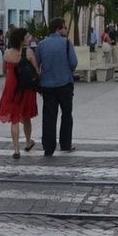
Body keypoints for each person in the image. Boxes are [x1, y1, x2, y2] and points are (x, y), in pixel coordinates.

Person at [35, 17, 78, 156]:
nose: (65, 30)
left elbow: (37, 64)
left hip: (47, 86)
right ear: (58, 29)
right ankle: (65, 144)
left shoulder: (41, 45)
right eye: (64, 28)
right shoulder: (66, 43)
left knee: (49, 116)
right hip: (65, 84)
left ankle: (48, 147)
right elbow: (73, 63)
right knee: (66, 114)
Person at [0, 27, 39, 158]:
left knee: (14, 119)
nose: (29, 38)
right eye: (27, 36)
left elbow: (4, 72)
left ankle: (16, 150)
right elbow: (36, 71)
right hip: (26, 89)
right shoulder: (29, 52)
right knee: (26, 117)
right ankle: (28, 142)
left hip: (11, 88)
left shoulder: (7, 53)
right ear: (21, 40)